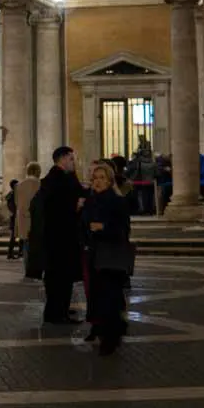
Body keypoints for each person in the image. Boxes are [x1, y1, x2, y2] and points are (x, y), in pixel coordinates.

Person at [82, 161, 132, 355]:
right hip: (94, 254)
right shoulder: (90, 201)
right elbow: (83, 226)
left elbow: (123, 229)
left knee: (110, 296)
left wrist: (104, 228)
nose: (98, 182)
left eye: (102, 178)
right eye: (95, 178)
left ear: (110, 181)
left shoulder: (118, 201)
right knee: (98, 296)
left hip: (111, 255)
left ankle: (110, 338)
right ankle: (105, 329)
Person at [39, 146, 85, 325]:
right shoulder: (58, 180)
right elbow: (59, 208)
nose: (74, 163)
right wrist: (77, 206)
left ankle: (59, 309)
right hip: (60, 239)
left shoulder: (59, 178)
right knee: (60, 278)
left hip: (59, 238)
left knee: (60, 278)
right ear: (63, 159)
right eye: (72, 159)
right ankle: (57, 313)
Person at [16, 163, 42, 275]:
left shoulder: (20, 185)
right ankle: (36, 268)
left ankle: (27, 268)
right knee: (38, 245)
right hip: (37, 218)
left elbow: (17, 202)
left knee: (26, 244)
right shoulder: (40, 184)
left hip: (23, 218)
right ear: (37, 171)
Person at [4, 178, 20, 259]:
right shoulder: (14, 194)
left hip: (15, 216)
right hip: (16, 217)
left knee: (17, 236)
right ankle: (12, 253)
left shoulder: (12, 194)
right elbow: (12, 206)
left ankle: (12, 253)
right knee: (16, 236)